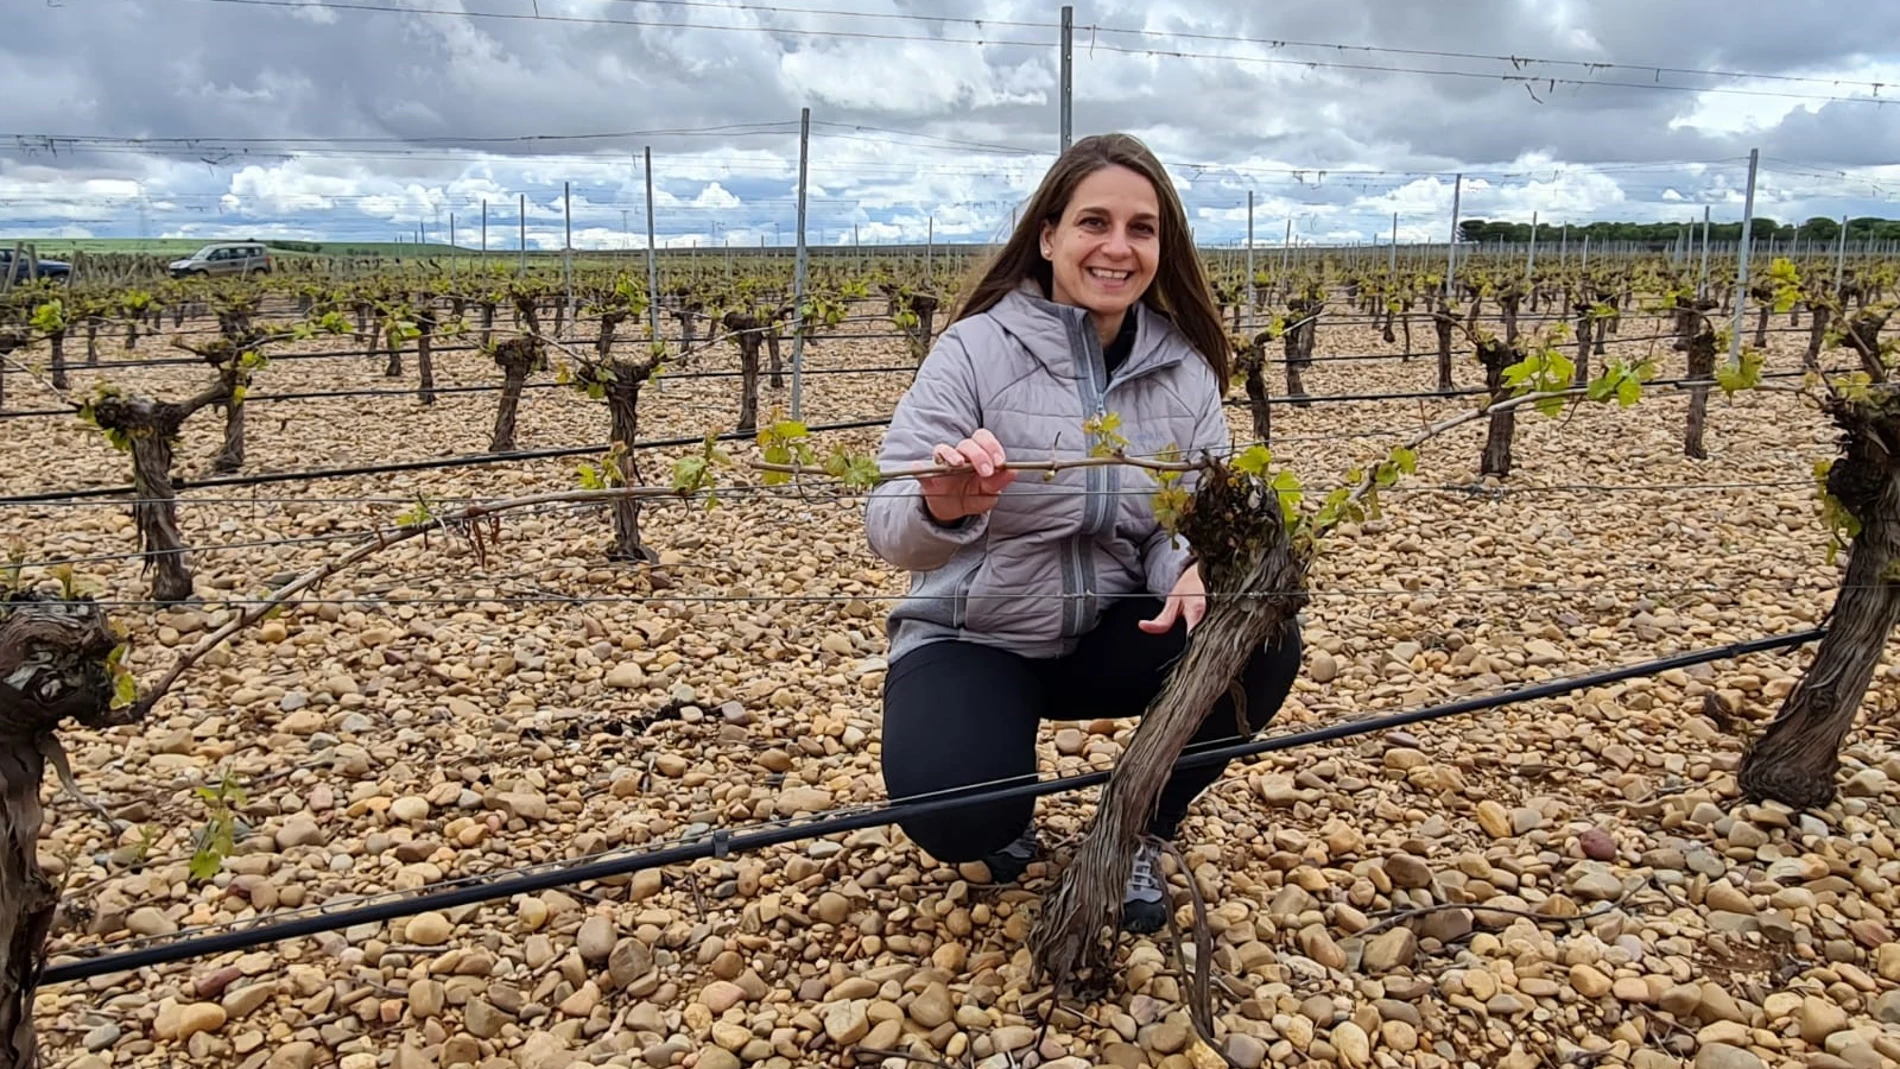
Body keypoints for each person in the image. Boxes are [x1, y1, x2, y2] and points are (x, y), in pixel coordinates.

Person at [864, 133, 1303, 935]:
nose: (1117, 246)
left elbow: (1187, 517)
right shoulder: (973, 349)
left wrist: (1190, 563)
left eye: (1142, 228)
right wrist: (949, 506)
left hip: (1113, 627)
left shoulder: (1187, 370)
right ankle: (1001, 801)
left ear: (1162, 247)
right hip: (979, 633)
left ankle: (1138, 825)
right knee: (961, 818)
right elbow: (889, 527)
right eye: (1093, 221)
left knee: (1262, 635)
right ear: (1048, 236)